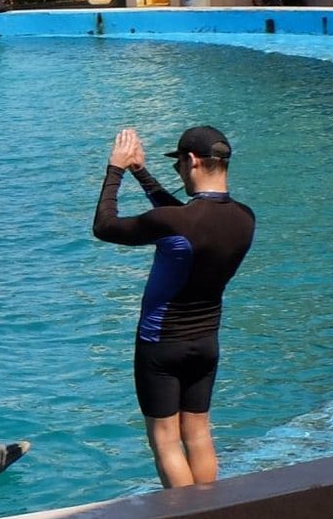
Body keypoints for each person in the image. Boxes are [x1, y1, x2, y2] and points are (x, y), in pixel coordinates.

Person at [91, 124, 255, 489]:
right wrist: (141, 172)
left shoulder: (176, 223)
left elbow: (104, 226)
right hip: (206, 344)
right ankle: (212, 515)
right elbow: (185, 218)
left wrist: (116, 169)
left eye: (178, 164)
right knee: (198, 433)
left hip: (161, 345)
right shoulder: (245, 219)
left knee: (166, 440)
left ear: (192, 161)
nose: (178, 171)